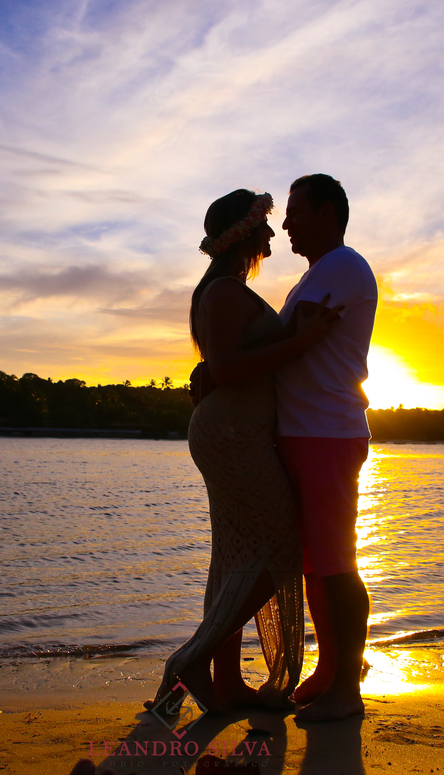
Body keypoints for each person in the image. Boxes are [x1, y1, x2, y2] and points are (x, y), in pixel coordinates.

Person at [147, 189, 341, 714]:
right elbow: (230, 367)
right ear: (244, 233)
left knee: (234, 557)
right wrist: (302, 341)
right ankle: (192, 659)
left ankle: (227, 683)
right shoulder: (225, 292)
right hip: (233, 438)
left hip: (238, 433)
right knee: (278, 549)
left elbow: (218, 368)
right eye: (264, 226)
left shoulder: (224, 291)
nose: (273, 234)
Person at [274, 174, 377, 722]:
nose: (286, 224)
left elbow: (282, 341)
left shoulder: (342, 267)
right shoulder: (318, 274)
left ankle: (347, 692)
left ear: (327, 212)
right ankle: (329, 670)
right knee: (317, 565)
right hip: (306, 432)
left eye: (295, 211)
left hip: (326, 434)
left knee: (337, 565)